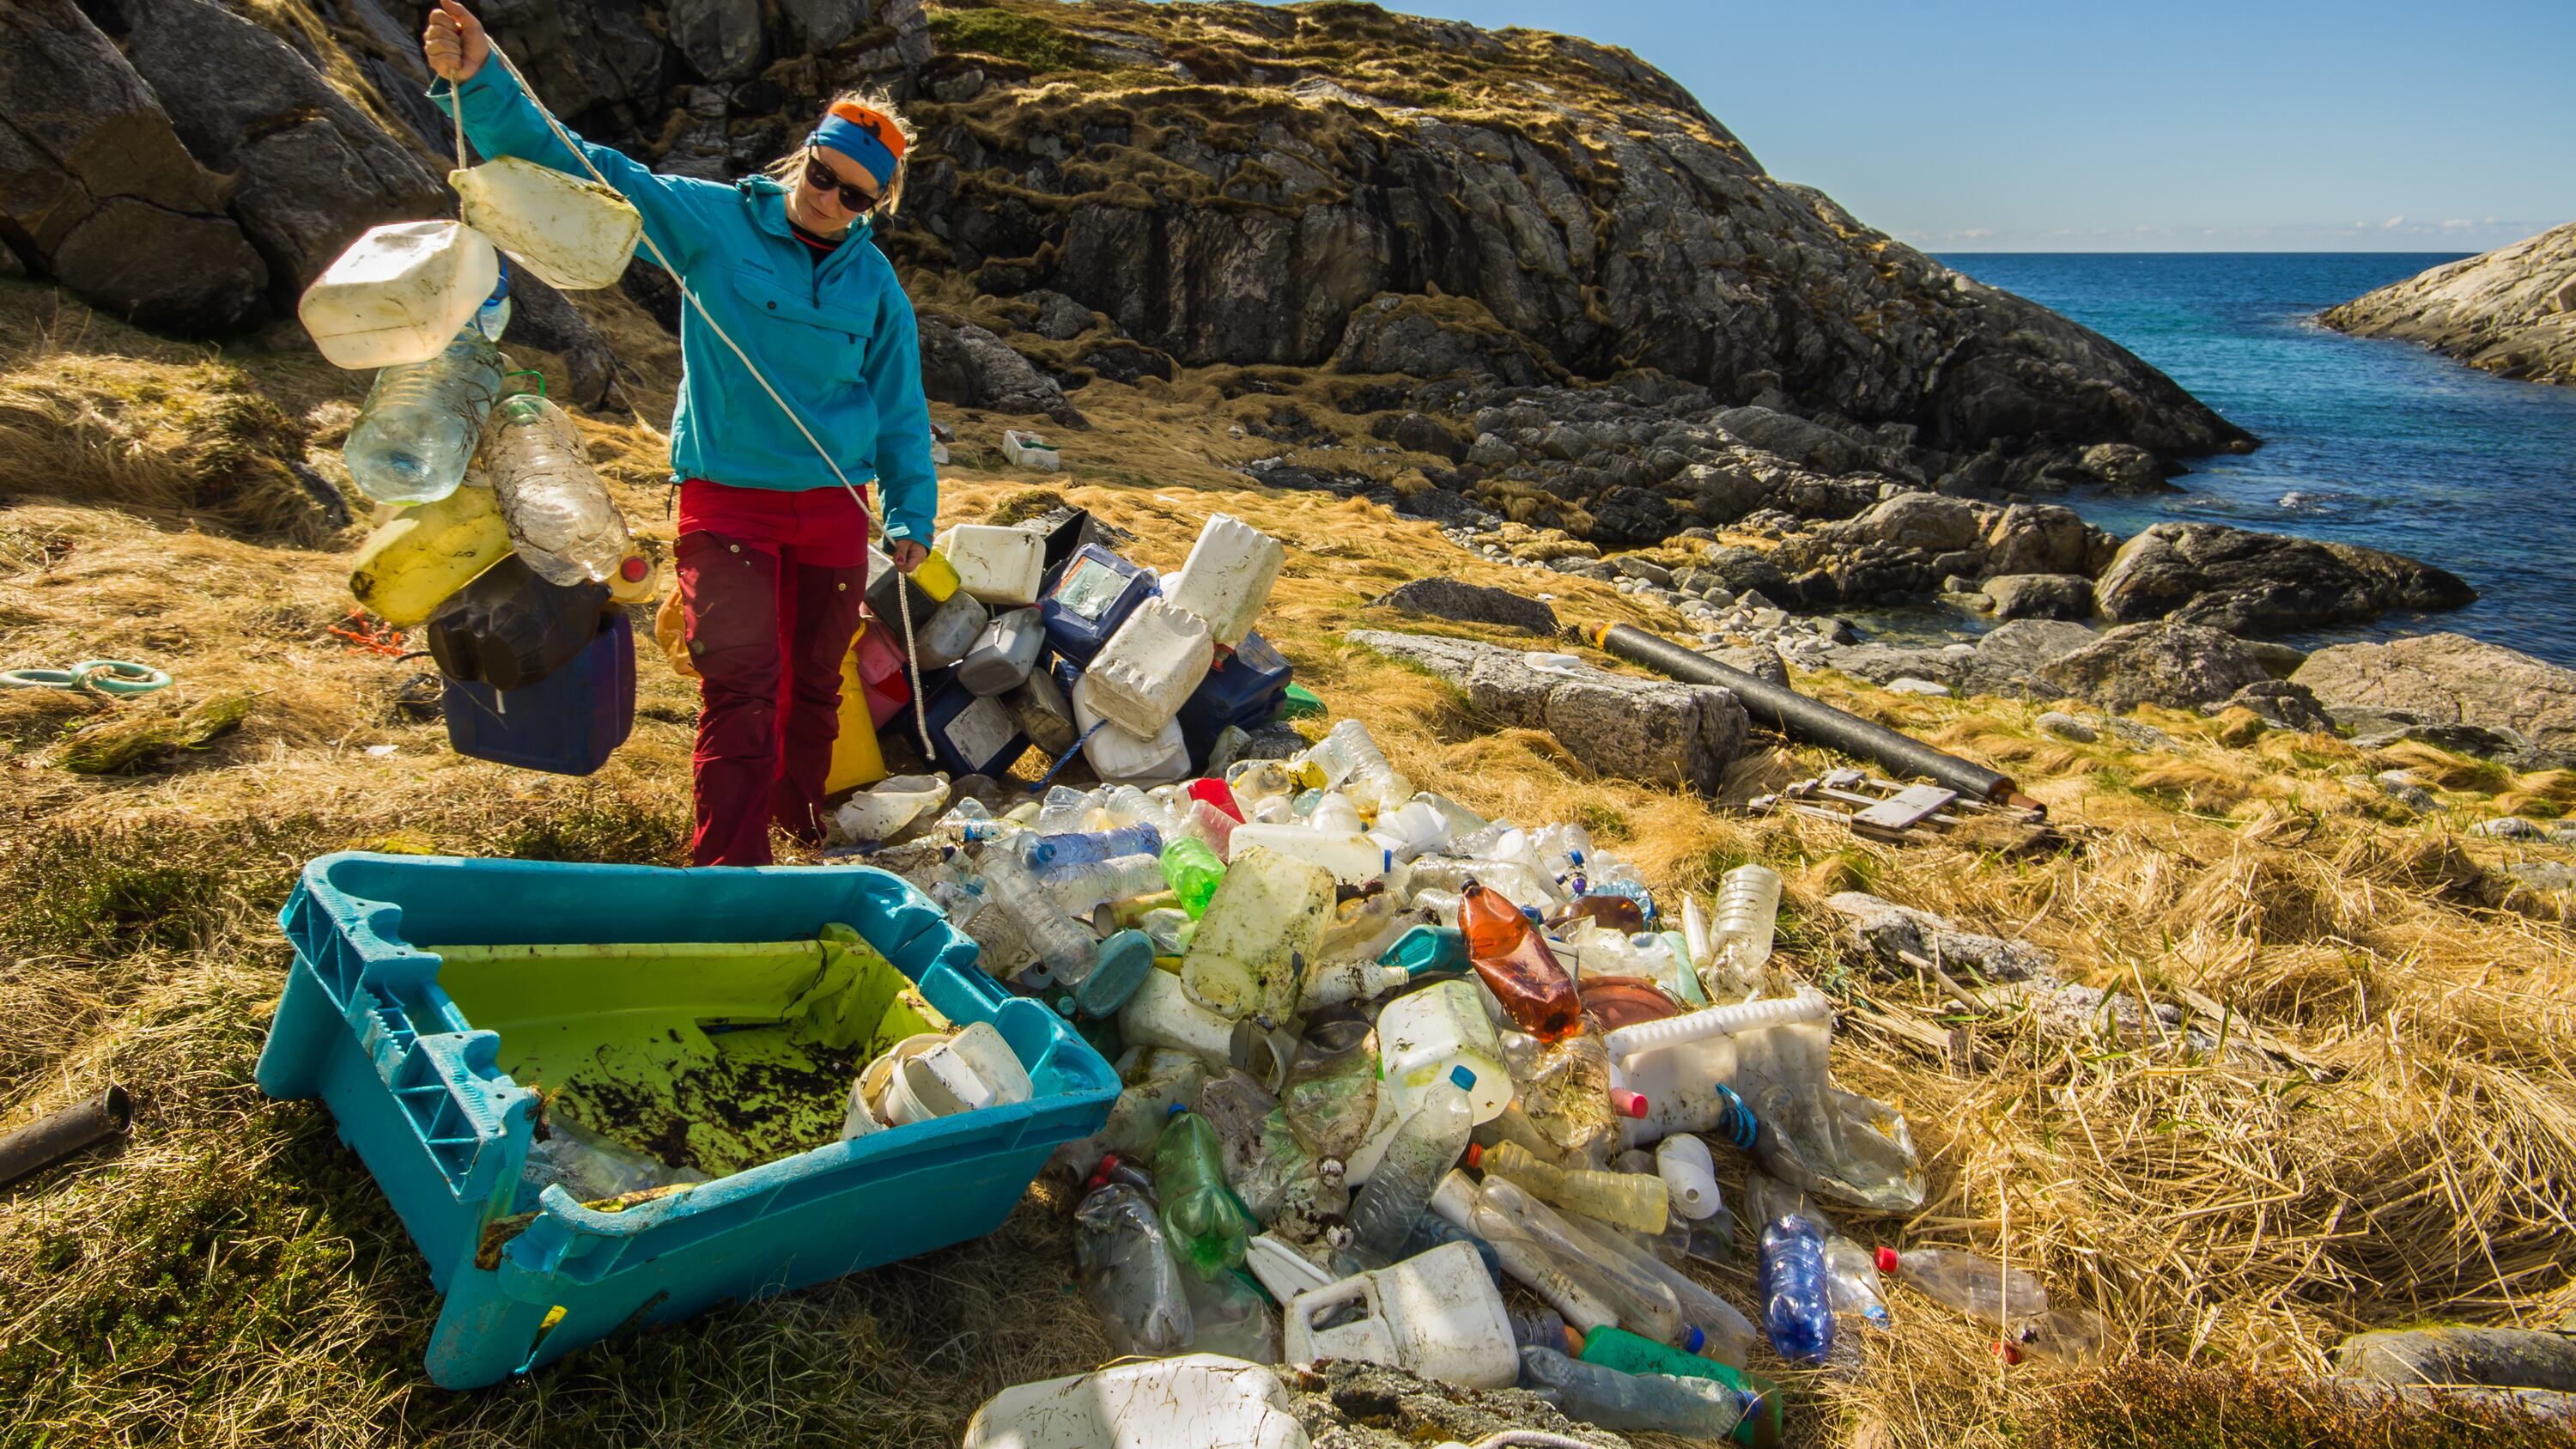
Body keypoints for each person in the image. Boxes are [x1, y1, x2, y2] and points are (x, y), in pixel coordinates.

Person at [424, 0, 936, 867]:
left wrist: (912, 515)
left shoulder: (875, 284)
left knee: (816, 688)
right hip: (728, 500)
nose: (830, 202)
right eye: (823, 177)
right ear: (804, 159)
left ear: (873, 206)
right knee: (742, 681)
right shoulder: (713, 223)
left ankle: (798, 836)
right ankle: (727, 872)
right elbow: (590, 169)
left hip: (834, 511)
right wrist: (481, 83)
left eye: (856, 197)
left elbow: (898, 406)